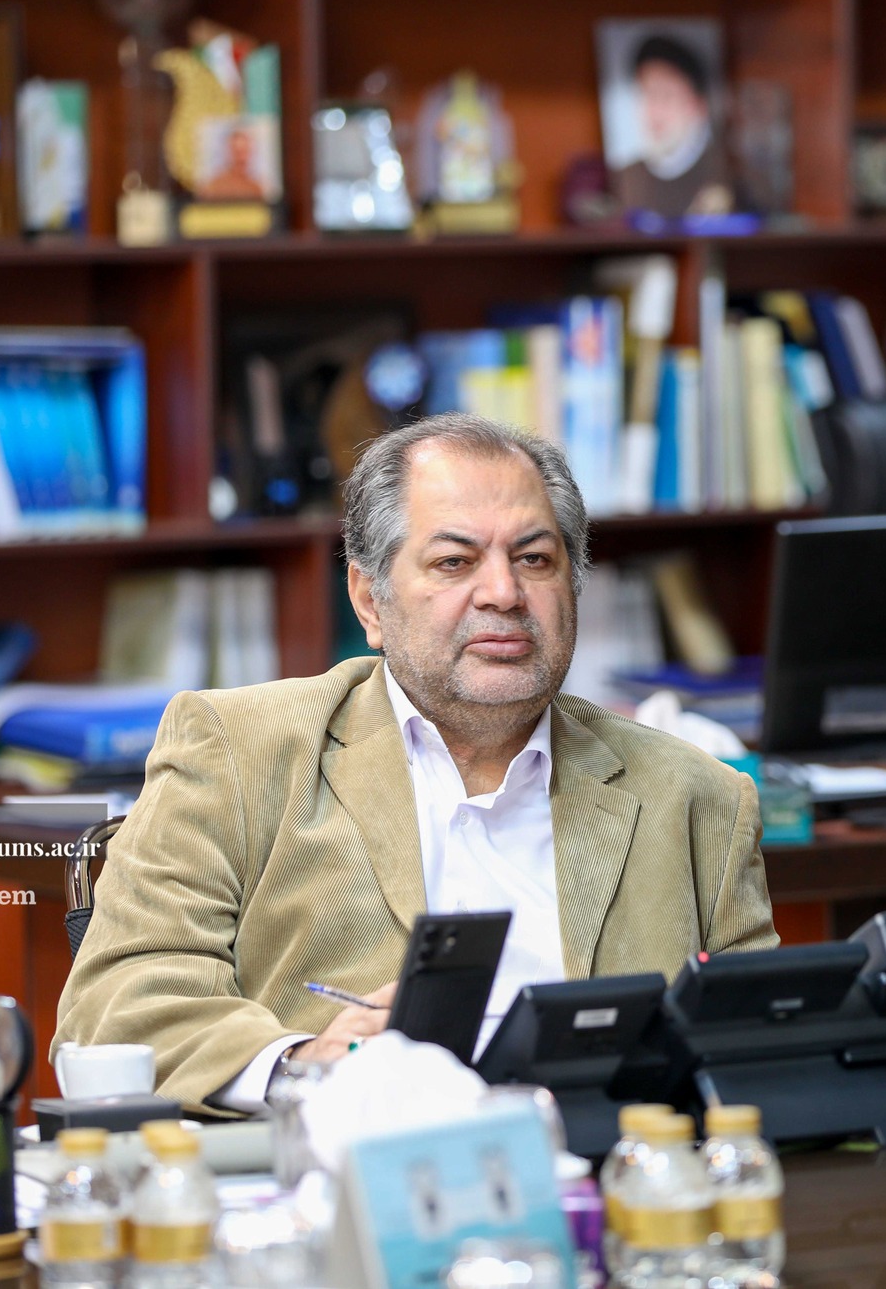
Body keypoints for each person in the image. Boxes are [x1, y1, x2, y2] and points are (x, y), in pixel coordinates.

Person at [54, 414, 777, 1111]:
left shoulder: (697, 797)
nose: (503, 593)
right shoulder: (238, 751)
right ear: (370, 601)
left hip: (612, 1170)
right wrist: (304, 1065)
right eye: (454, 562)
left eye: (534, 559)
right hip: (343, 1172)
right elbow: (112, 1012)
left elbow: (766, 1049)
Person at [611, 32, 731, 221]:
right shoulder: (626, 177)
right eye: (647, 95)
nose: (654, 112)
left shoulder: (727, 173)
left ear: (697, 105)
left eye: (666, 96)